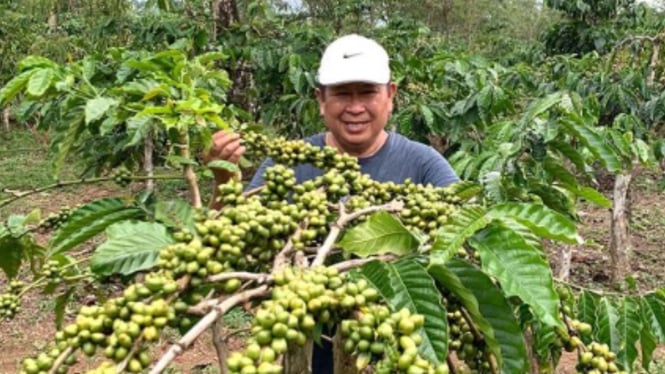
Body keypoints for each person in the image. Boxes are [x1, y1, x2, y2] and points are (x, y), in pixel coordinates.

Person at [205, 34, 459, 372]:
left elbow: (461, 232)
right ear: (321, 100)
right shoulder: (287, 166)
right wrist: (224, 182)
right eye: (341, 94)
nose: (355, 107)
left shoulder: (424, 164)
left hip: (398, 345)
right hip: (309, 350)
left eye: (367, 92)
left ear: (390, 96)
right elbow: (224, 246)